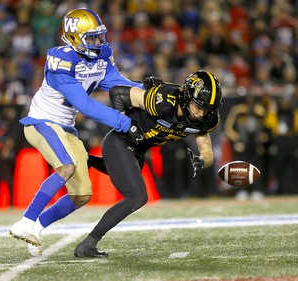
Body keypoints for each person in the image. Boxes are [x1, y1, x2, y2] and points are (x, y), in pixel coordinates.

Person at [9, 8, 146, 256]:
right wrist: (122, 122)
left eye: (98, 36)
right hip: (42, 122)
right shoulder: (61, 59)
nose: (98, 42)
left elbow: (117, 83)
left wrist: (147, 91)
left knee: (81, 195)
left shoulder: (102, 55)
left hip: (66, 128)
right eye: (91, 38)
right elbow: (83, 104)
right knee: (66, 167)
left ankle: (36, 229)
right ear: (73, 37)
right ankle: (26, 221)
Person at [74, 69, 223, 258]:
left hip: (138, 149)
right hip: (120, 142)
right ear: (186, 97)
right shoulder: (165, 100)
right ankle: (88, 244)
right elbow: (117, 93)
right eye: (198, 107)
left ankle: (87, 160)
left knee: (122, 174)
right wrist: (124, 125)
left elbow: (206, 150)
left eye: (207, 110)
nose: (202, 114)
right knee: (137, 197)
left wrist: (203, 161)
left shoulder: (204, 118)